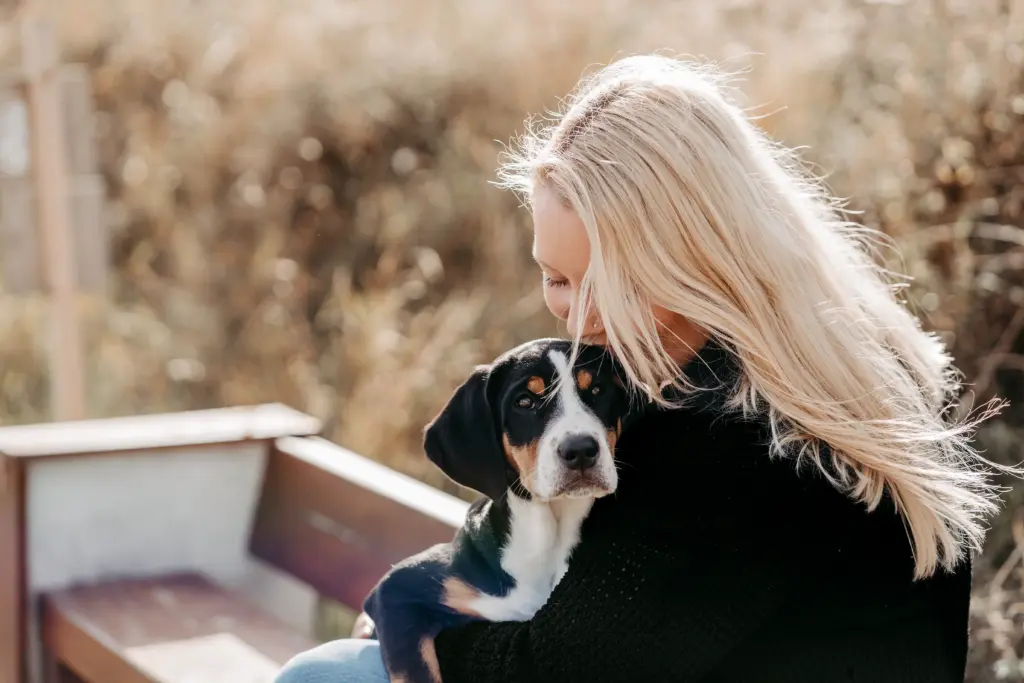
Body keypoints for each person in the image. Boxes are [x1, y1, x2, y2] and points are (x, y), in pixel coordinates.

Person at [274, 54, 1010, 683]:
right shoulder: (859, 357)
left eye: (616, 283)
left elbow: (552, 671)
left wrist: (414, 623)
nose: (581, 318)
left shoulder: (729, 437)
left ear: (698, 259)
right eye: (557, 278)